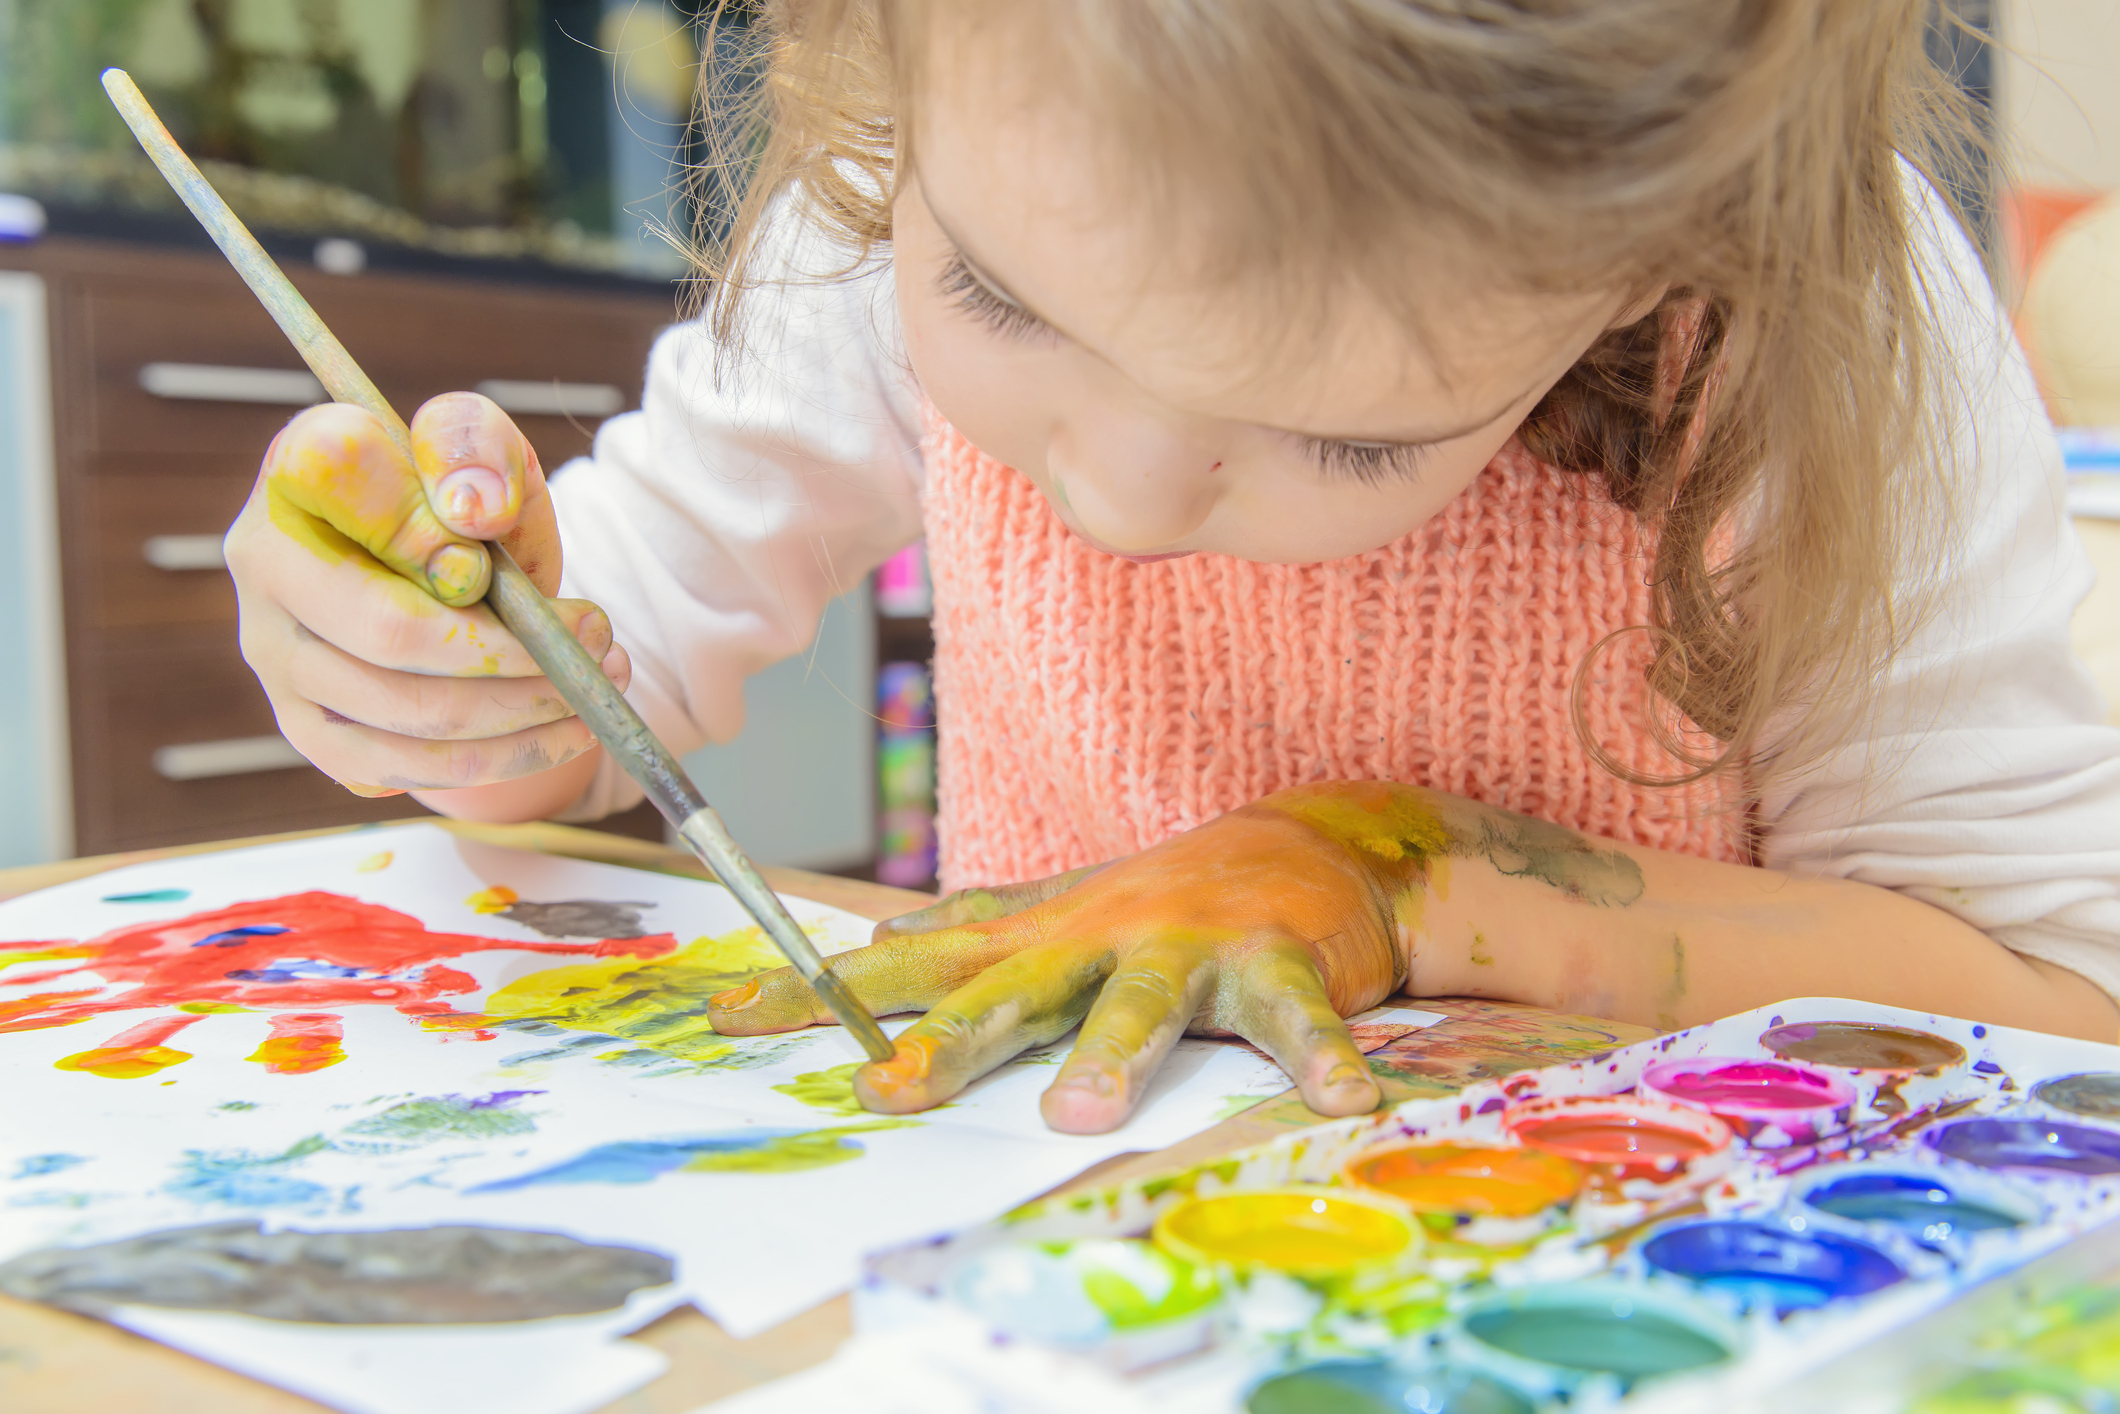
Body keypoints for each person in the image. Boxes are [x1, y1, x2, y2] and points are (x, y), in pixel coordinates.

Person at [224, 1, 2120, 1135]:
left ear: (1662, 261)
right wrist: (463, 661)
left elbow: (2056, 1005)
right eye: (997, 297)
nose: (1117, 499)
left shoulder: (1818, 340)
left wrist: (1401, 869)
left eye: (1356, 437)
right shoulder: (922, 156)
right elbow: (602, 692)